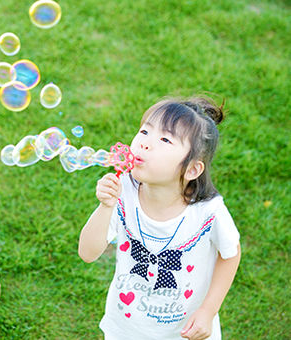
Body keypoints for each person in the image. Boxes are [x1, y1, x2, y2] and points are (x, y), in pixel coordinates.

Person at [78, 97, 241, 340]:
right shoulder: (124, 191)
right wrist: (106, 206)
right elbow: (87, 253)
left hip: (186, 332)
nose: (144, 143)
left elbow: (230, 253)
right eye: (144, 131)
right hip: (126, 329)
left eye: (165, 139)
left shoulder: (208, 212)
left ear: (192, 170)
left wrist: (208, 311)